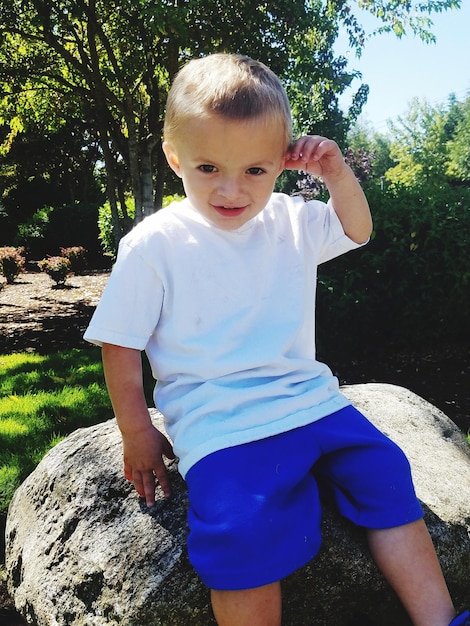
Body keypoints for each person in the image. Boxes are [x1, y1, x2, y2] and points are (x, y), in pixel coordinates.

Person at [84, 54, 468, 626]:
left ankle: (439, 621)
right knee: (243, 531)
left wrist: (337, 174)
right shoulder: (154, 245)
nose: (232, 189)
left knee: (386, 471)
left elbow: (356, 230)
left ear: (282, 164)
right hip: (223, 421)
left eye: (255, 171)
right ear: (175, 157)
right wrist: (136, 429)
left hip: (311, 401)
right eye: (209, 167)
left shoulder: (291, 220)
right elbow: (119, 343)